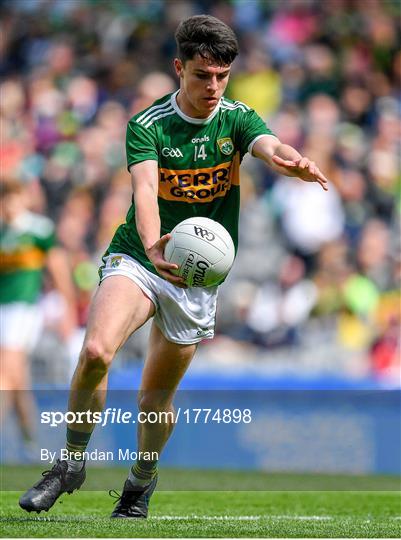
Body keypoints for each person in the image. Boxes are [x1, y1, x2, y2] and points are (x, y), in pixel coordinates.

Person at [19, 14, 328, 518]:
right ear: (178, 68)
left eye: (222, 76)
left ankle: (140, 481)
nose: (213, 86)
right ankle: (69, 462)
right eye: (202, 75)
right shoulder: (148, 124)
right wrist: (152, 245)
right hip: (142, 255)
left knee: (153, 400)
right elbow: (144, 190)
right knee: (96, 349)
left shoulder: (236, 117)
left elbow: (268, 144)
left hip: (197, 276)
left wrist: (288, 158)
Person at [0, 181, 76, 456]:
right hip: (3, 309)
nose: (9, 204)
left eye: (13, 196)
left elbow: (58, 270)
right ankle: (30, 442)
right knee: (17, 380)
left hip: (24, 309)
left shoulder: (37, 230)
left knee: (4, 375)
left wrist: (67, 308)